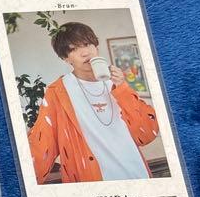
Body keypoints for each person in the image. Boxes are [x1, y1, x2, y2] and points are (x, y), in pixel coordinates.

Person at [28, 21, 159, 185]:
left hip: (138, 176)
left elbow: (147, 133)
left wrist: (123, 89)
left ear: (96, 46)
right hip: (92, 183)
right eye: (73, 49)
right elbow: (42, 145)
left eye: (87, 44)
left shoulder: (116, 82)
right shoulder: (58, 92)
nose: (85, 53)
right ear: (65, 58)